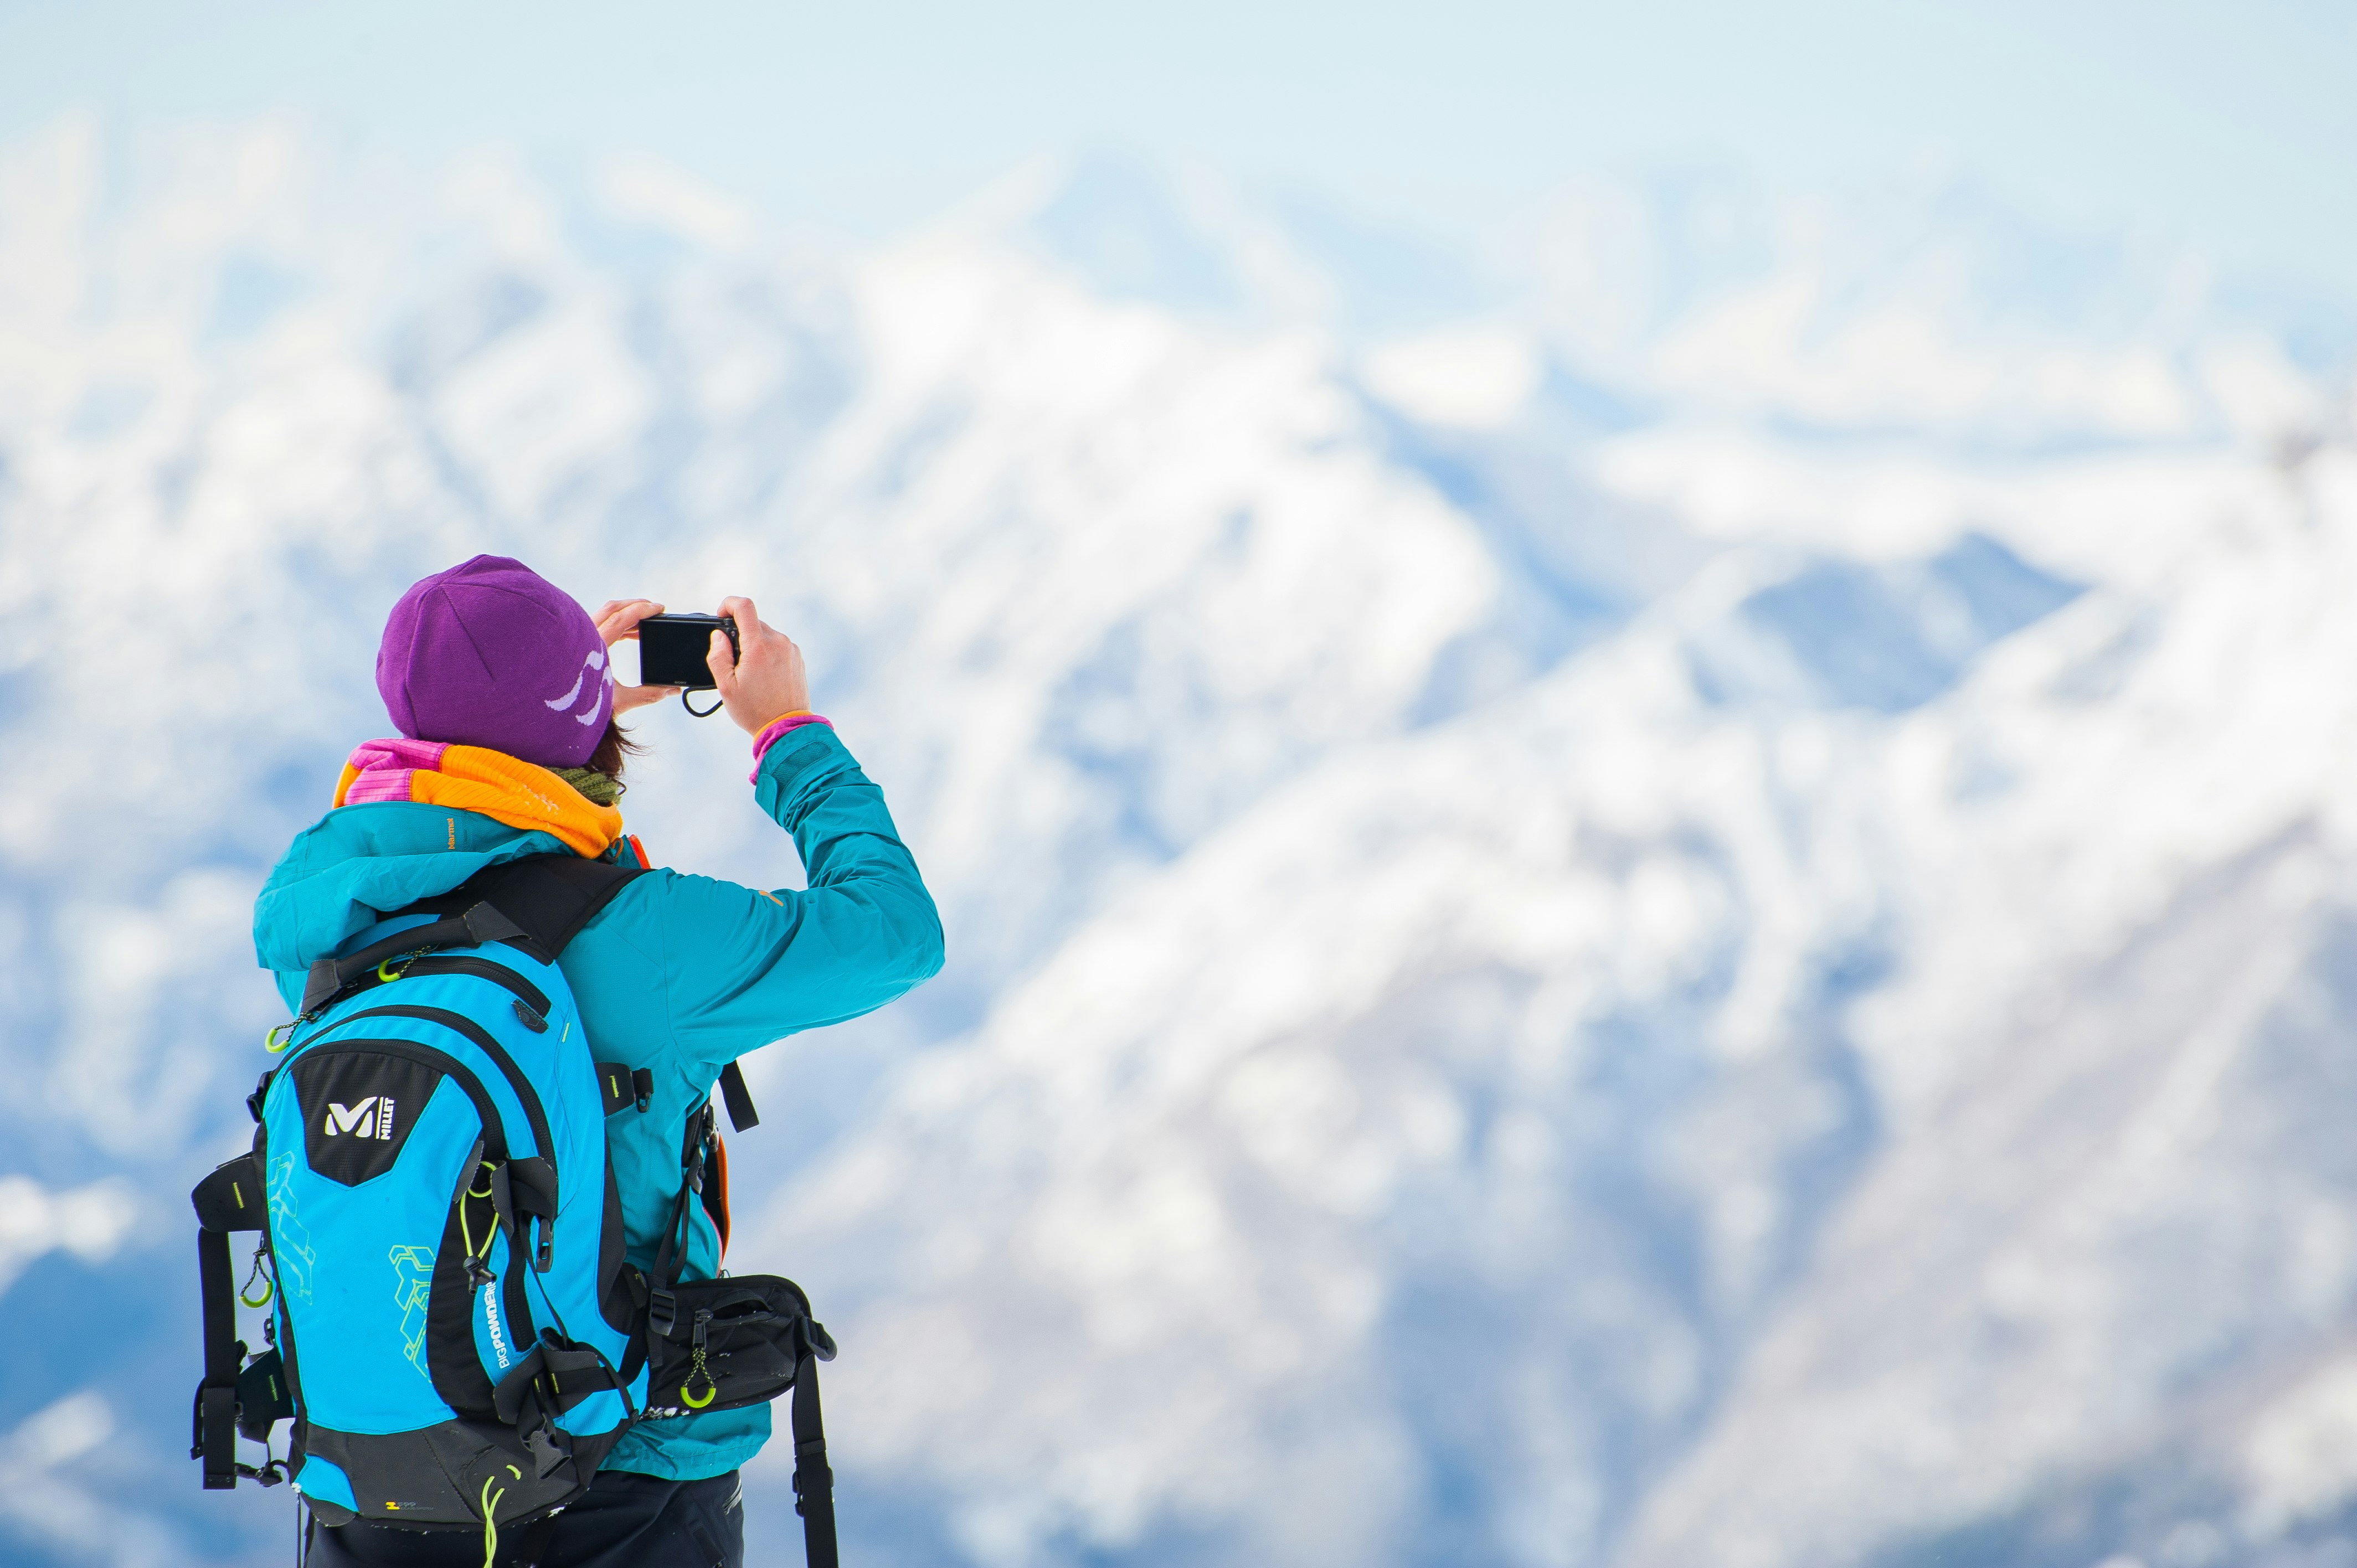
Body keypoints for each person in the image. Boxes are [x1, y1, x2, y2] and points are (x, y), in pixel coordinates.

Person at [251, 555, 944, 1566]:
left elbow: (457, 852)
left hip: (375, 1495)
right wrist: (788, 736)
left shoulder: (322, 920)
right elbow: (895, 932)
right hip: (623, 1482)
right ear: (576, 721)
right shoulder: (648, 937)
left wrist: (548, 719)